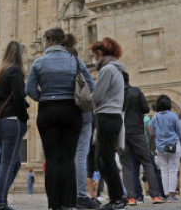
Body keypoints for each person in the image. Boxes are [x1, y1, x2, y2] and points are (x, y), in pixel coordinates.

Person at [26, 28, 91, 210]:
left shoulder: (39, 62)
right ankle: (68, 203)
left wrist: (44, 97)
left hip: (48, 111)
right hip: (72, 110)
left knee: (53, 159)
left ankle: (54, 204)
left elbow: (29, 89)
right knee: (69, 158)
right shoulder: (75, 60)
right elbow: (90, 85)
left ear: (49, 40)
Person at [89, 37, 127, 210]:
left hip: (106, 116)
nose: (93, 59)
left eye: (93, 55)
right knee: (102, 159)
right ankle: (117, 196)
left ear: (99, 53)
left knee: (106, 159)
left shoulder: (107, 70)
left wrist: (85, 101)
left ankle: (117, 199)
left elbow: (97, 96)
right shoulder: (117, 70)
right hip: (112, 116)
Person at [0, 41, 29, 210]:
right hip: (11, 122)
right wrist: (24, 117)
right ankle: (0, 202)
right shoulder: (15, 71)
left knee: (15, 162)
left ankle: (1, 196)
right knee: (8, 163)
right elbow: (20, 96)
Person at [63, 35, 99, 210]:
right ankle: (81, 195)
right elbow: (92, 87)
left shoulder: (56, 65)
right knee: (80, 156)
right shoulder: (78, 62)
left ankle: (65, 194)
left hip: (62, 114)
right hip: (83, 114)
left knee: (64, 155)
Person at [120, 72, 164, 205]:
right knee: (147, 162)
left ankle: (131, 197)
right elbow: (145, 108)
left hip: (121, 132)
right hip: (137, 131)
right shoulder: (136, 91)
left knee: (126, 166)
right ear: (129, 79)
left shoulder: (115, 94)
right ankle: (155, 196)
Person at [147, 94, 179, 203]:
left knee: (164, 171)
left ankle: (165, 194)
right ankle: (172, 194)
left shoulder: (154, 117)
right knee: (173, 170)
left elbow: (154, 132)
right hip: (173, 145)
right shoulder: (173, 116)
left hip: (160, 147)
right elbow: (179, 130)